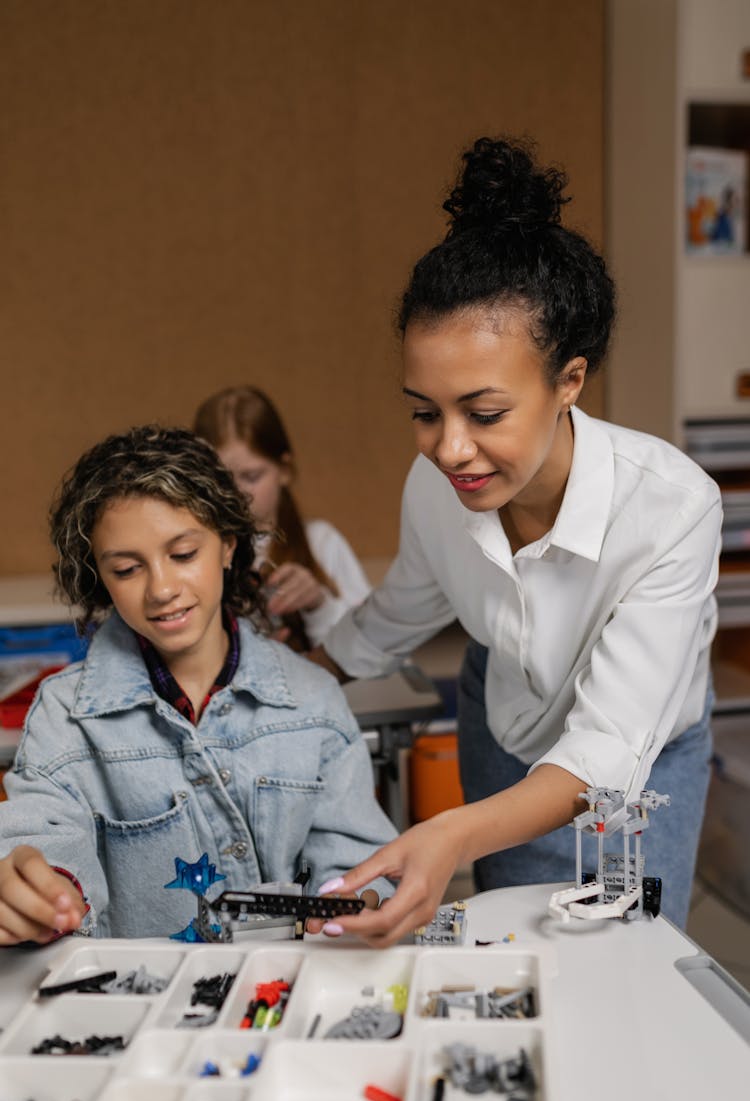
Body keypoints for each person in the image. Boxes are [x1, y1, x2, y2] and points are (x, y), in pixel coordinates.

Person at [310, 136, 722, 943]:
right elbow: (401, 610)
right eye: (424, 412)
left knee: (627, 961)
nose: (449, 447)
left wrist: (453, 831)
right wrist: (286, 674)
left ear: (569, 380)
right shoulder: (435, 485)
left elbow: (607, 749)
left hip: (636, 762)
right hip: (505, 729)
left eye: (484, 413)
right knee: (518, 955)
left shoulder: (672, 508)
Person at [0, 425, 395, 943]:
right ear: (99, 575)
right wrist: (38, 887)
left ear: (228, 545)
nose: (162, 590)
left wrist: (359, 899)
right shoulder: (63, 715)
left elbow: (359, 865)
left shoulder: (313, 698)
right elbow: (41, 837)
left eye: (183, 555)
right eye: (126, 568)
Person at [194, 386, 371, 651]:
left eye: (251, 477)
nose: (234, 493)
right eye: (220, 480)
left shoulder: (321, 542)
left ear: (284, 470)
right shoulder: (190, 554)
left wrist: (319, 605)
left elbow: (373, 647)